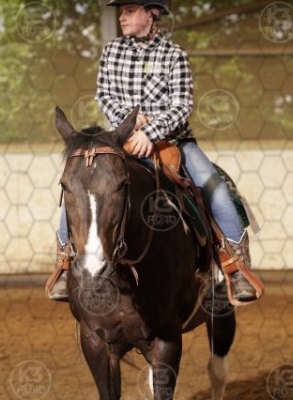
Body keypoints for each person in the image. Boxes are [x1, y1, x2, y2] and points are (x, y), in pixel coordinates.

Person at [46, 0, 263, 304]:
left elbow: (182, 104)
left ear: (152, 12)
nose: (122, 17)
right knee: (81, 186)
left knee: (215, 189)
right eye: (121, 11)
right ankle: (66, 264)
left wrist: (151, 133)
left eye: (129, 10)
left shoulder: (174, 55)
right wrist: (131, 122)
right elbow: (104, 95)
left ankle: (235, 268)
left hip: (174, 142)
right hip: (121, 139)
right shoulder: (111, 51)